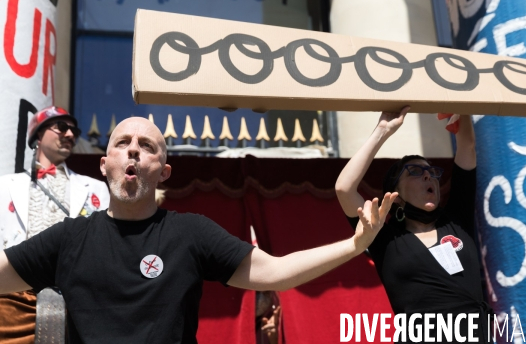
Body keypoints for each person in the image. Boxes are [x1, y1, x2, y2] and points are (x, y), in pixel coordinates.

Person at [0, 117, 396, 343]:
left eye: (147, 145)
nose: (134, 149)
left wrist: (354, 244)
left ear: (164, 171)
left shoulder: (189, 233)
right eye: (122, 143)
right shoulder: (70, 238)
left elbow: (275, 271)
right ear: (104, 165)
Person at [335, 107, 490, 343]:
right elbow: (344, 189)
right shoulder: (383, 239)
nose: (428, 176)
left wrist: (462, 109)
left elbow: (467, 147)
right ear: (395, 195)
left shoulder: (457, 220)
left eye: (431, 171)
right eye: (416, 172)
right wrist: (383, 130)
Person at [0, 106, 110, 343]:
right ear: (38, 135)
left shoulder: (96, 188)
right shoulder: (5, 186)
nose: (70, 135)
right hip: (13, 300)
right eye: (61, 127)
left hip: (74, 299)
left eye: (74, 130)